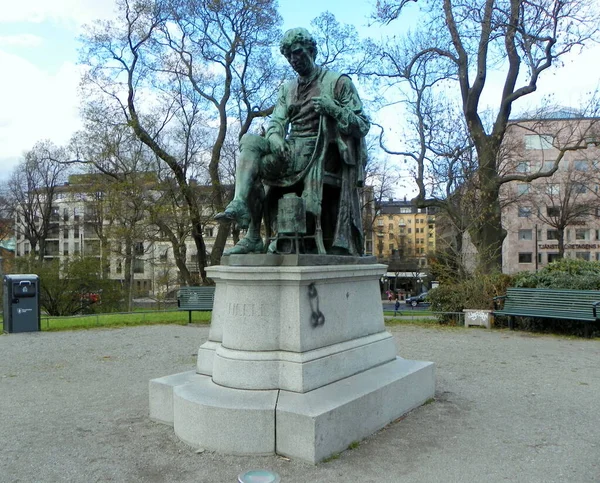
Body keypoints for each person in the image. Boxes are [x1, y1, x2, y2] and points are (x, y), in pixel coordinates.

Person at [215, 27, 370, 255]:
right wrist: (276, 136)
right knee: (249, 141)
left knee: (257, 166)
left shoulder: (338, 82)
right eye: (288, 56)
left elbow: (362, 125)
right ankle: (249, 226)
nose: (293, 60)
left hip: (319, 154)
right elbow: (277, 120)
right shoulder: (287, 89)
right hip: (289, 151)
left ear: (311, 50)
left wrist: (334, 108)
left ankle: (256, 233)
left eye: (297, 53)